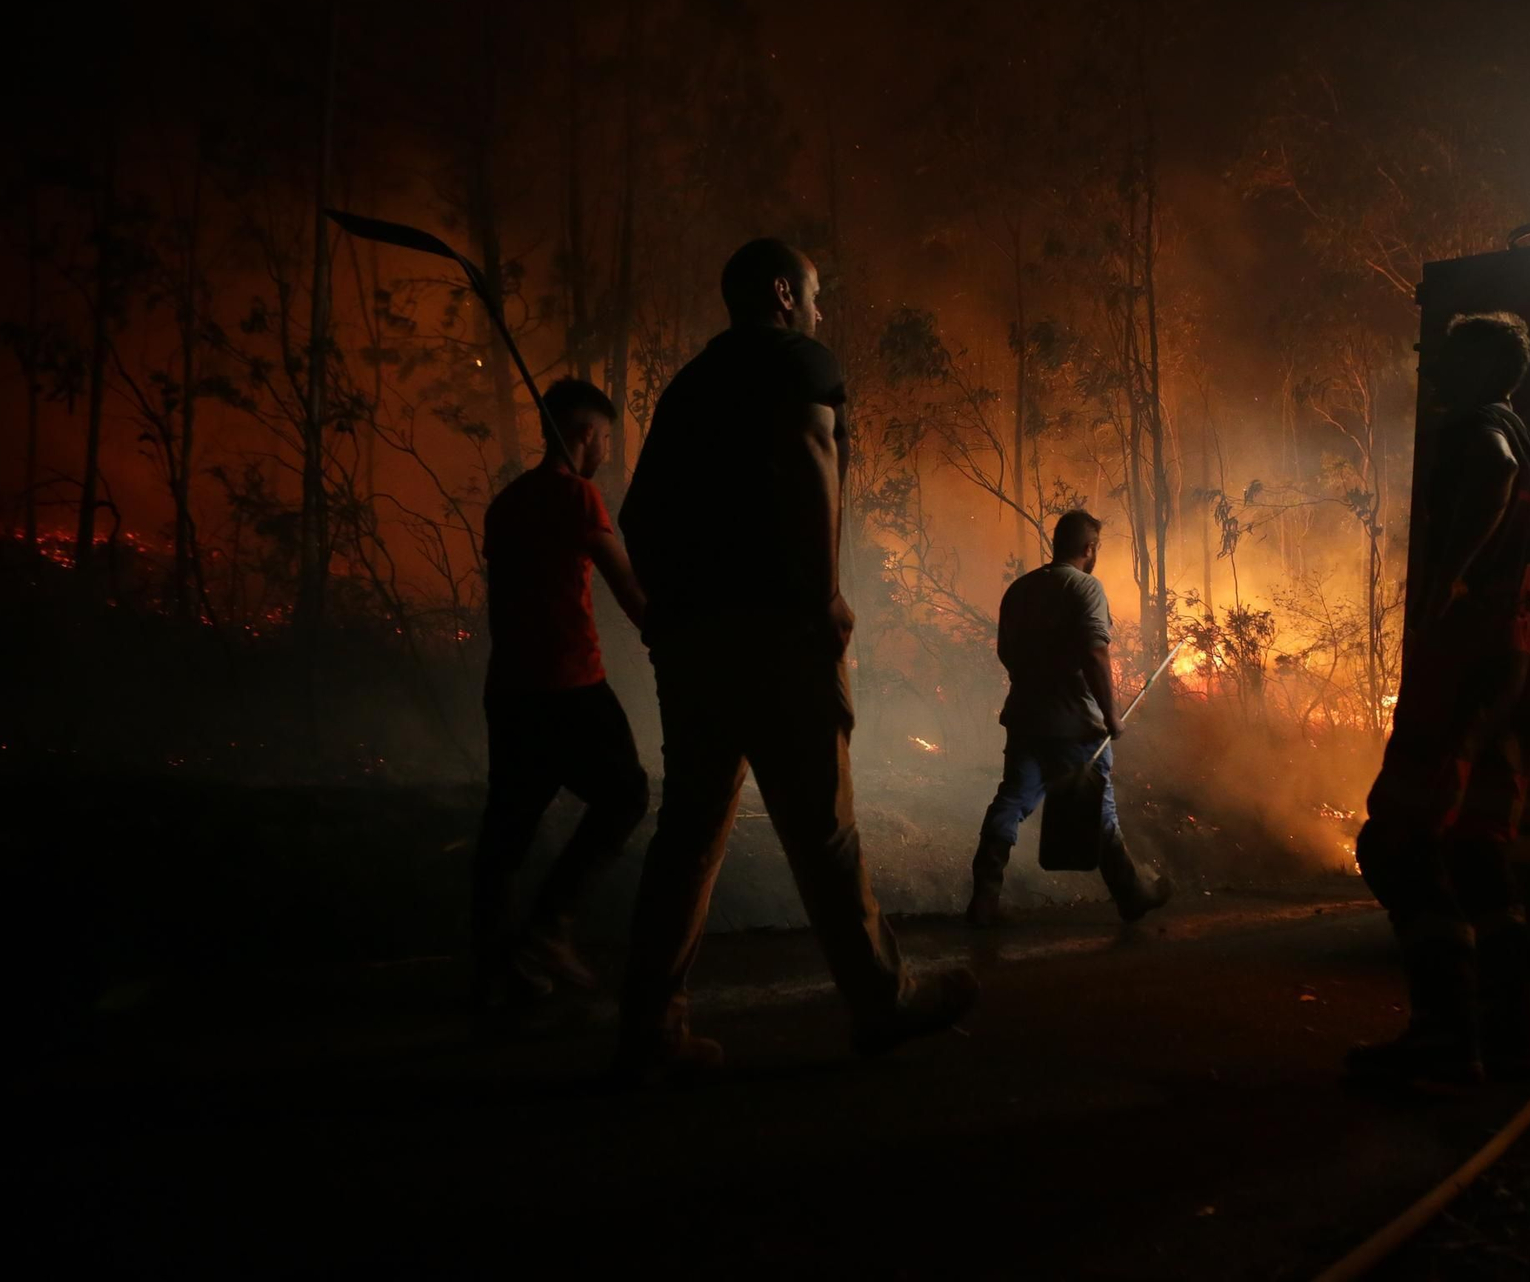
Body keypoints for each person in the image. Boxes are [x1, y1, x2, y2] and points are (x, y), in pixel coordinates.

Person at [616, 237, 978, 1080]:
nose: (820, 311)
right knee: (824, 828)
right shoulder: (796, 360)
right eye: (814, 294)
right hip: (779, 636)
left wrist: (668, 612)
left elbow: (636, 519)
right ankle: (881, 1003)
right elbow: (814, 459)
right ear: (782, 293)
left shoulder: (689, 386)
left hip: (693, 644)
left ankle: (650, 1028)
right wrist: (821, 599)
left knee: (690, 833)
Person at [1348, 312, 1530, 1089]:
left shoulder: (1481, 430)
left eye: (1447, 357)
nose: (1435, 371)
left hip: (1466, 656)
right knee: (1477, 846)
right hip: (1518, 668)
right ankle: (1509, 1044)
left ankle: (1444, 1038)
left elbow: (1487, 474)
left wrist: (1453, 580)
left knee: (1398, 839)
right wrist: (1516, 630)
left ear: (1483, 366)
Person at [472, 379, 652, 1008]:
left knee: (507, 833)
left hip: (511, 690)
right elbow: (628, 587)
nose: (605, 449)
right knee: (626, 794)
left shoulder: (507, 503)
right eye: (603, 438)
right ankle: (550, 928)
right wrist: (671, 635)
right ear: (582, 435)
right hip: (571, 685)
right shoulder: (578, 497)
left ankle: (497, 975)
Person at [965, 509, 1173, 928]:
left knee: (1011, 800)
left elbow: (1005, 652)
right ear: (1089, 548)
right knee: (1099, 810)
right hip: (1075, 725)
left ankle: (984, 899)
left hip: (1025, 719)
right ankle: (1131, 895)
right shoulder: (1085, 587)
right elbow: (1095, 654)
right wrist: (1112, 715)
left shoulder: (1020, 590)